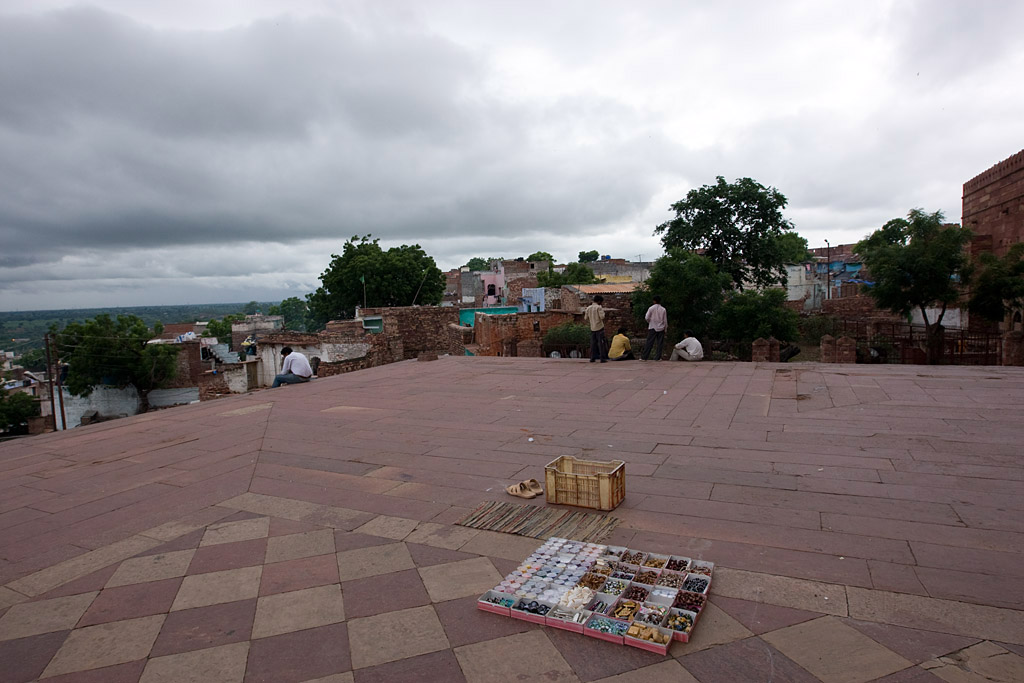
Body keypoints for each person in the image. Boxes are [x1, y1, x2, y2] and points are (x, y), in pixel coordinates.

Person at [640, 295, 667, 361]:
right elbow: (665, 320)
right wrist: (665, 328)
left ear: (654, 301)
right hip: (661, 328)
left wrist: (650, 321)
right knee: (660, 344)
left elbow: (647, 317)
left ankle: (644, 357)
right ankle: (658, 357)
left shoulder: (651, 308)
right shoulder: (663, 309)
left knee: (649, 342)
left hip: (652, 327)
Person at [584, 295, 609, 363]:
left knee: (593, 344)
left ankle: (592, 358)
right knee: (601, 343)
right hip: (599, 327)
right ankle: (602, 358)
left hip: (592, 328)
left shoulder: (588, 308)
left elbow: (585, 318)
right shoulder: (599, 307)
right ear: (599, 301)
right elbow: (602, 317)